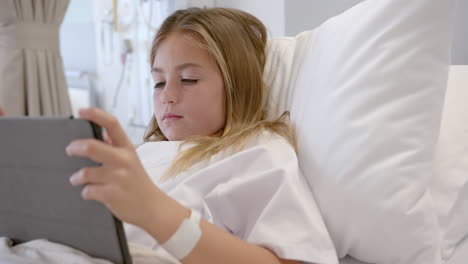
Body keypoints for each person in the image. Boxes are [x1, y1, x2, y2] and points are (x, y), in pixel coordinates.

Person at [0, 8, 337, 264]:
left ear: (237, 87)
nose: (168, 96)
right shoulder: (146, 153)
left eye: (188, 79)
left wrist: (157, 213)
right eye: (159, 82)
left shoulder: (257, 151)